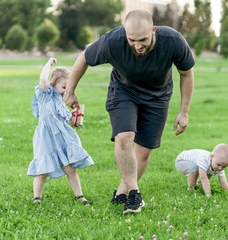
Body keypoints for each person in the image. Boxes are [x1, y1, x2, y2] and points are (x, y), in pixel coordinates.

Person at [64, 9, 194, 214]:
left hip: (158, 97)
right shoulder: (113, 40)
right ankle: (135, 193)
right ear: (125, 32)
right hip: (124, 91)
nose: (137, 45)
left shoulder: (173, 41)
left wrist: (183, 112)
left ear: (153, 30)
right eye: (132, 40)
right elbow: (84, 58)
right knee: (124, 137)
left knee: (144, 149)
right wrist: (70, 91)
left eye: (143, 39)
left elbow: (186, 74)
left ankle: (122, 192)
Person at [27, 57, 94, 205]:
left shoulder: (62, 104)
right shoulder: (45, 96)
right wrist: (48, 64)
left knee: (70, 169)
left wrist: (74, 118)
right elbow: (43, 81)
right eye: (64, 87)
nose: (66, 91)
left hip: (61, 141)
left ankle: (80, 196)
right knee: (42, 171)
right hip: (46, 140)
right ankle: (36, 197)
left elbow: (65, 120)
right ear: (53, 84)